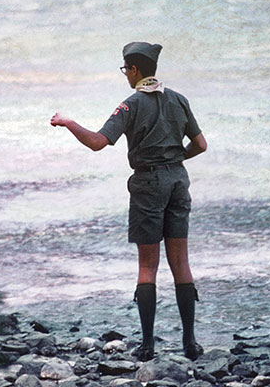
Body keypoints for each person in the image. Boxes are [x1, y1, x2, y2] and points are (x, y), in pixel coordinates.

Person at [51, 41, 208, 361]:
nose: (125, 75)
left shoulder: (131, 105)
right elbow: (201, 145)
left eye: (126, 69)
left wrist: (67, 122)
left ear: (135, 70)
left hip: (148, 183)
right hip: (178, 181)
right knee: (181, 263)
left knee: (147, 266)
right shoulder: (179, 100)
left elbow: (98, 142)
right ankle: (190, 342)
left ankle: (148, 344)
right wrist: (176, 159)